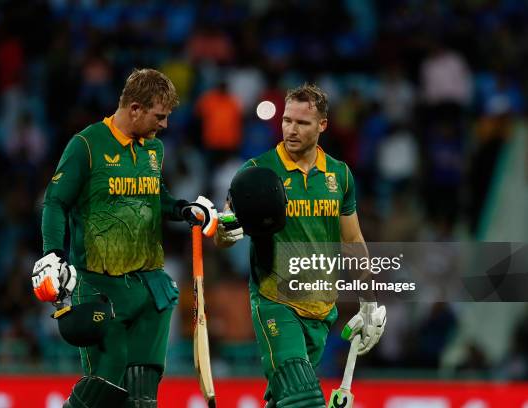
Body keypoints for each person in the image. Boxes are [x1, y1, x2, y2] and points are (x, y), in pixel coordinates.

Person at [31, 68, 218, 408]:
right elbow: (56, 202)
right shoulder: (86, 145)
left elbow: (154, 195)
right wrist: (53, 254)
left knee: (143, 399)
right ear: (135, 108)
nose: (164, 125)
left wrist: (180, 209)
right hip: (102, 288)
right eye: (159, 117)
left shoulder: (153, 150)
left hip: (149, 286)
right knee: (105, 388)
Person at [215, 84, 387, 407]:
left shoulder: (340, 175)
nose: (291, 130)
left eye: (302, 123)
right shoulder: (257, 172)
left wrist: (368, 301)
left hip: (321, 311)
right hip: (274, 304)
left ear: (322, 125)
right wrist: (225, 235)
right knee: (304, 398)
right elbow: (225, 228)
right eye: (286, 120)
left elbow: (352, 240)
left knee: (284, 400)